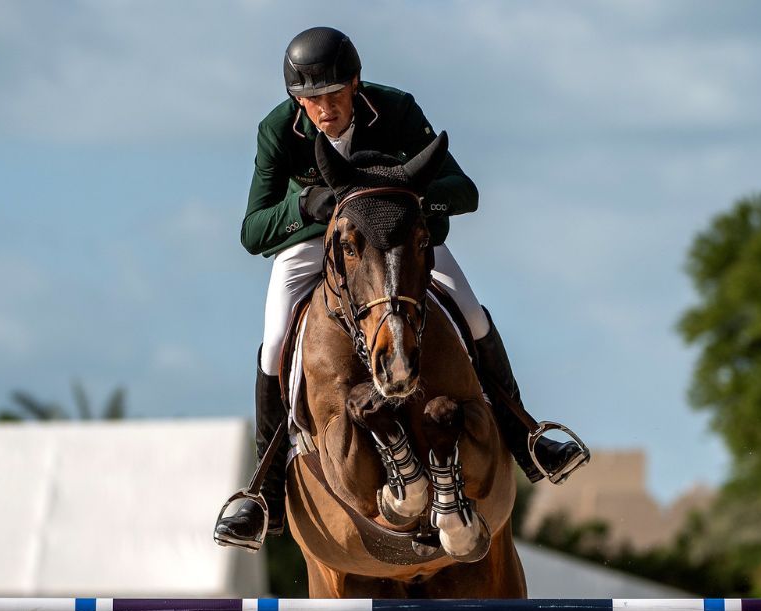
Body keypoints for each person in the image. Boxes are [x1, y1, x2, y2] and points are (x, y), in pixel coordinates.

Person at [215, 26, 586, 551]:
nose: (324, 109)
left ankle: (528, 438)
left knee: (470, 312)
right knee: (276, 342)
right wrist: (303, 206)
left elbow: (464, 192)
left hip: (396, 244)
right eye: (311, 99)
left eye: (334, 95)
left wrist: (407, 202)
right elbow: (253, 231)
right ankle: (267, 490)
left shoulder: (397, 109)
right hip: (319, 244)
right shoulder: (278, 129)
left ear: (356, 84)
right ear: (296, 100)